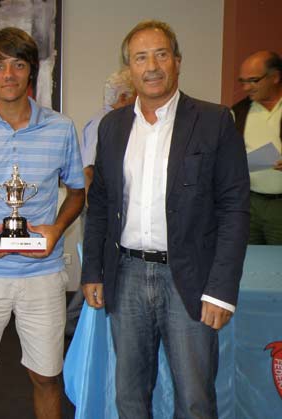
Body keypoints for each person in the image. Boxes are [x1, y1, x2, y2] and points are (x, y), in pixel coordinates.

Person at [81, 20, 250, 419]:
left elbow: (234, 207)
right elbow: (101, 203)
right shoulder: (113, 126)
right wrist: (92, 271)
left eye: (160, 54)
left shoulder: (214, 121)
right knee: (129, 396)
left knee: (194, 399)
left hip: (189, 278)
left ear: (177, 62)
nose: (151, 66)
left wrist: (221, 289)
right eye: (141, 57)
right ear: (130, 68)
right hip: (126, 276)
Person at [0, 27, 85, 419]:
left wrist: (56, 229)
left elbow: (77, 192)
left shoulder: (60, 129)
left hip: (42, 273)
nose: (9, 74)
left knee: (46, 378)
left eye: (19, 65)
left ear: (31, 72)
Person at [66, 69, 135, 339]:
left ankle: (73, 323)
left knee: (97, 269)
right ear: (124, 96)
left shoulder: (107, 119)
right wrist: (97, 213)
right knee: (97, 269)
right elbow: (88, 171)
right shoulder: (105, 122)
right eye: (135, 94)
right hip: (100, 211)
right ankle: (71, 324)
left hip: (103, 209)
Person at [233, 50, 282, 244]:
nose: (246, 87)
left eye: (253, 80)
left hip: (279, 206)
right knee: (248, 261)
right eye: (242, 81)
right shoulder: (238, 112)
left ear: (275, 77)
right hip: (250, 203)